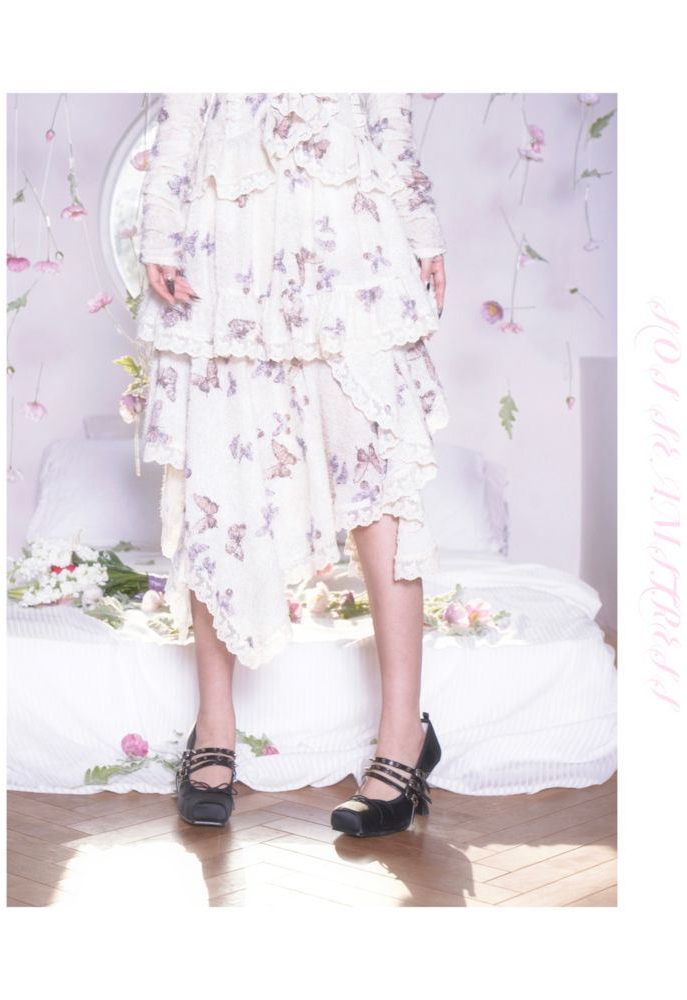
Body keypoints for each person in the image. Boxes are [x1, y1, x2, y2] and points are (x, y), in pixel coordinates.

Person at [136, 92, 449, 837]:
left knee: (381, 479)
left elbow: (387, 111)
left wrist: (421, 227)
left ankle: (403, 737)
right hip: (228, 229)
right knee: (220, 472)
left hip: (348, 225)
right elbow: (182, 108)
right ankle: (215, 727)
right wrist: (159, 229)